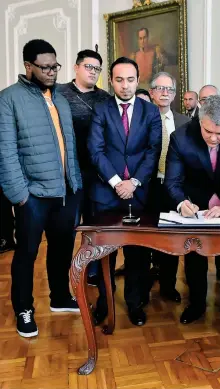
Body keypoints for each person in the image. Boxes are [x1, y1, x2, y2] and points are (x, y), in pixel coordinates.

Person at [0, 39, 83, 338]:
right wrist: (20, 196)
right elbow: (5, 151)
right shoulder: (8, 99)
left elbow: (69, 144)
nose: (51, 72)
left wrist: (75, 184)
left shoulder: (60, 97)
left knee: (61, 249)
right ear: (28, 66)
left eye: (55, 66)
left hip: (66, 191)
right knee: (27, 253)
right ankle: (24, 309)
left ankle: (60, 297)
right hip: (33, 195)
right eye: (45, 67)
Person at [165, 95, 220, 328]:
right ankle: (196, 304)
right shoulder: (181, 136)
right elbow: (173, 181)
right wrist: (180, 203)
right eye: (209, 132)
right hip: (196, 207)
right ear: (200, 121)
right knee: (195, 258)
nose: (214, 138)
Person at [88, 57, 162, 327]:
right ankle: (105, 302)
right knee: (106, 252)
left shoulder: (150, 111)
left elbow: (153, 151)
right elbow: (95, 150)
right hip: (107, 193)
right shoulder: (101, 109)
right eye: (119, 80)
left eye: (130, 79)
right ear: (110, 80)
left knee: (137, 254)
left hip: (139, 194)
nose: (125, 85)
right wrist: (117, 181)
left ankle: (134, 303)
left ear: (138, 79)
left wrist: (135, 183)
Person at [58, 49, 110, 286]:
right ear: (76, 67)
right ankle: (66, 274)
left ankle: (92, 270)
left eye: (97, 68)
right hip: (68, 171)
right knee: (67, 225)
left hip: (99, 172)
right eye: (88, 67)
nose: (93, 72)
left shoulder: (105, 98)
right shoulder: (59, 94)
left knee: (96, 224)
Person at [148, 71, 190, 302]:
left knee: (172, 237)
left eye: (170, 89)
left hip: (174, 186)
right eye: (160, 88)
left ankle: (168, 285)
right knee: (146, 236)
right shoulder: (142, 118)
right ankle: (144, 282)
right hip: (147, 185)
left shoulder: (185, 121)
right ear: (152, 92)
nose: (165, 93)